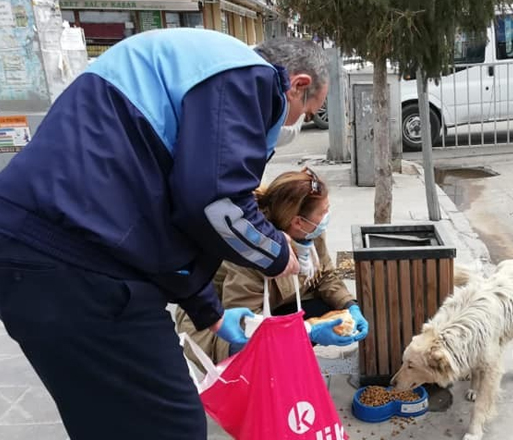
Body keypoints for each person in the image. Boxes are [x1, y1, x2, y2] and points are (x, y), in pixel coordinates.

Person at [0, 30, 328, 439]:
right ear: (297, 85)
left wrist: (211, 311)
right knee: (173, 426)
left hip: (40, 252)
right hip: (76, 263)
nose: (300, 123)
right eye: (310, 111)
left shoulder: (198, 65)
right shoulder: (248, 76)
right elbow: (214, 203)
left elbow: (162, 217)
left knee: (113, 424)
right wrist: (279, 253)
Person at [177, 168, 369, 365]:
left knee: (327, 308)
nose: (327, 215)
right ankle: (267, 372)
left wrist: (349, 305)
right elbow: (246, 326)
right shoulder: (253, 248)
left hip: (272, 307)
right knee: (260, 344)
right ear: (298, 222)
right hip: (220, 329)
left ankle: (287, 362)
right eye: (324, 211)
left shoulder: (311, 231)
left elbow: (326, 275)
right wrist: (309, 331)